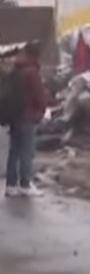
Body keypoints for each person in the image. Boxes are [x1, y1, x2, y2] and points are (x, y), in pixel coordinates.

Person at [5, 41, 48, 198]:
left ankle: (10, 185)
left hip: (15, 116)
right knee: (26, 151)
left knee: (14, 151)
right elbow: (39, 97)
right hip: (28, 117)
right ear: (36, 55)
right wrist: (43, 109)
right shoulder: (32, 72)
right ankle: (25, 184)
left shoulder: (16, 70)